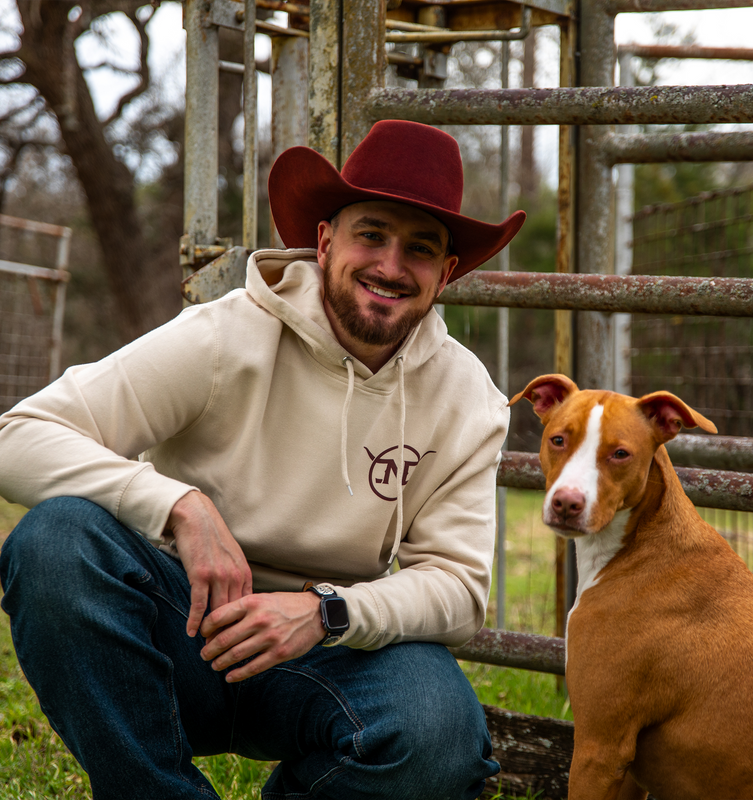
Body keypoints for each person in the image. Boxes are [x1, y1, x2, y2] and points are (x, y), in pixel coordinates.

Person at [0, 120, 525, 800]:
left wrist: (324, 612)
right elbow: (19, 435)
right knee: (56, 542)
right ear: (326, 239)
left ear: (446, 272)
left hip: (327, 656)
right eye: (371, 234)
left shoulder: (467, 401)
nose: (391, 267)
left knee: (440, 731)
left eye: (420, 249)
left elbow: (457, 589)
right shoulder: (224, 337)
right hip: (178, 629)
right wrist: (179, 506)